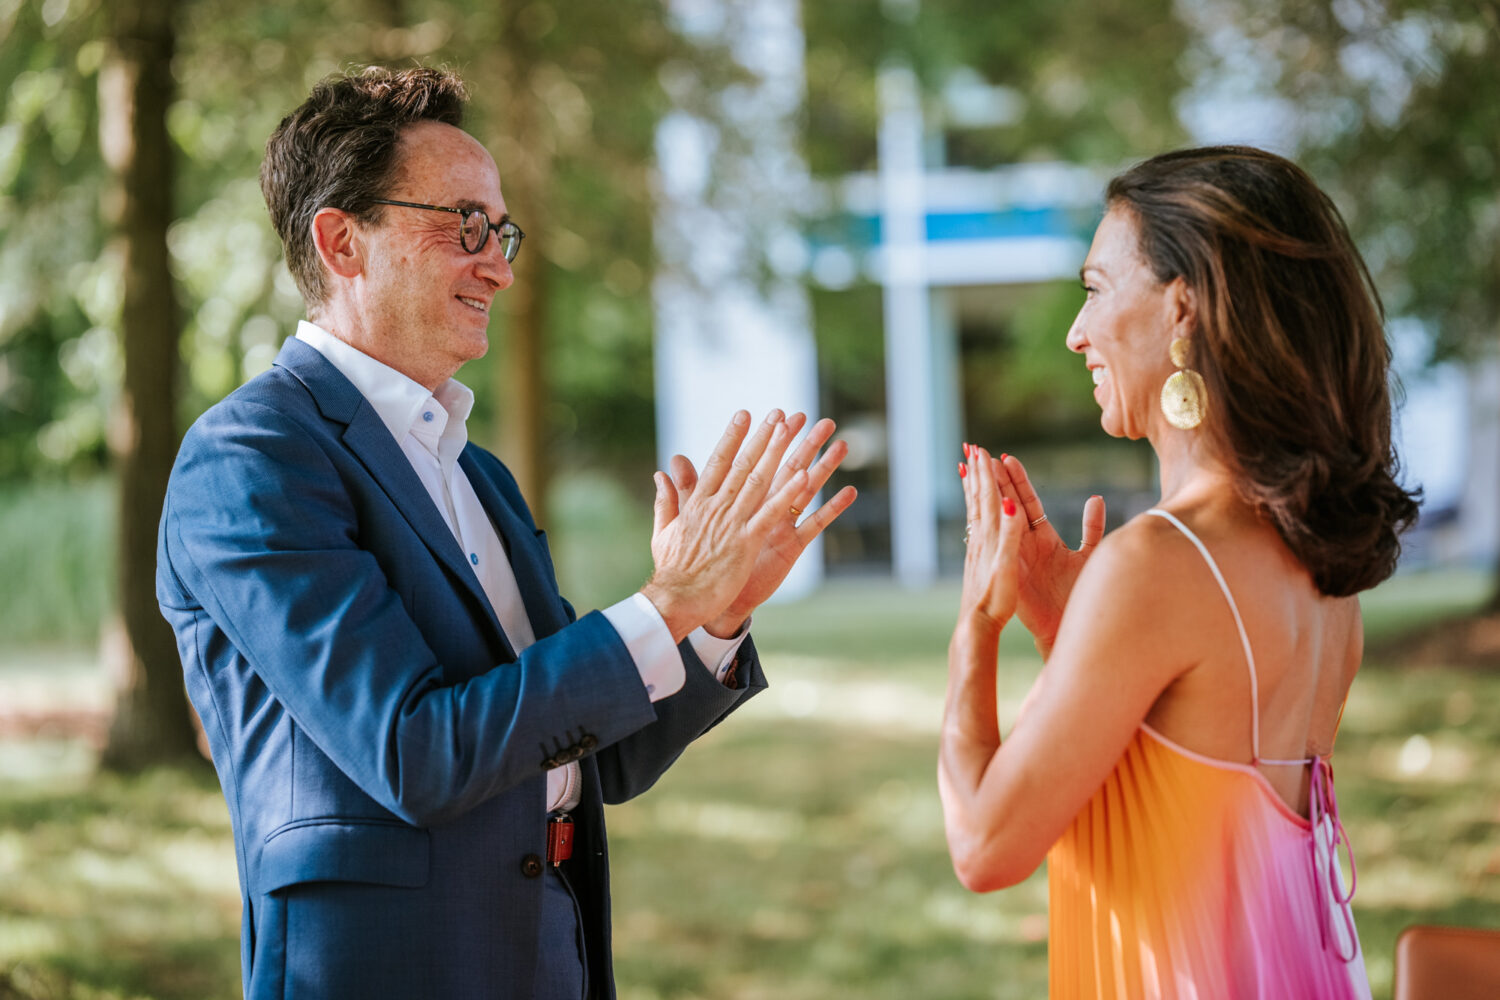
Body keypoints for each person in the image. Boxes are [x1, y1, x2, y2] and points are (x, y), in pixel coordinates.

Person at [156, 66, 855, 1000]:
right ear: (342, 241)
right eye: (465, 226)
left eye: (503, 230)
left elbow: (595, 750)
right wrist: (667, 600)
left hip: (547, 951)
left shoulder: (477, 474)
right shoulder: (251, 457)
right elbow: (414, 752)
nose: (500, 263)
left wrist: (713, 620)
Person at [938, 146, 1419, 997]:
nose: (1075, 332)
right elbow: (1195, 813)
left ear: (1183, 308)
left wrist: (978, 623)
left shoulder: (1159, 563)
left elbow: (982, 845)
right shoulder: (1316, 564)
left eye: (1094, 288)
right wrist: (1068, 631)